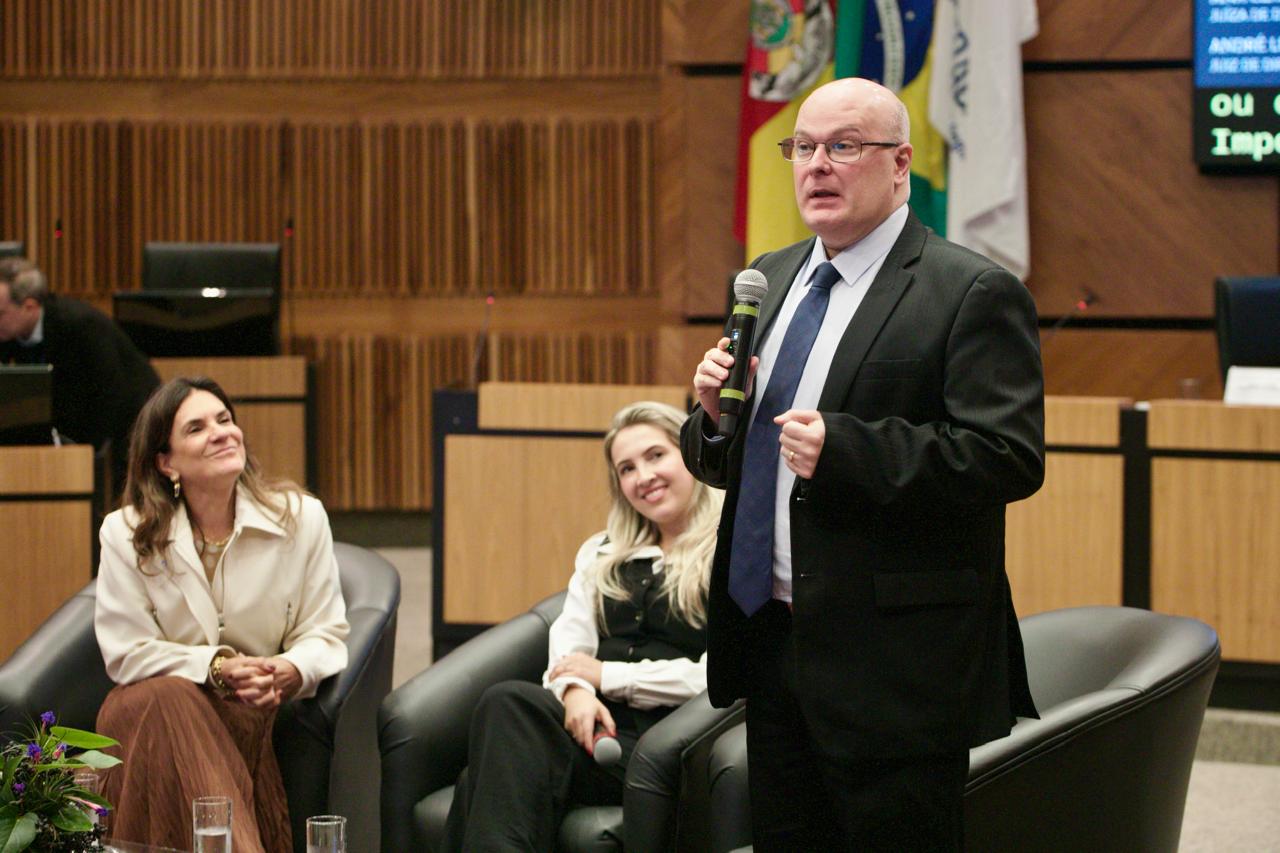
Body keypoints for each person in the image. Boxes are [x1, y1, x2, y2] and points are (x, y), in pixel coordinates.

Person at [681, 78, 1045, 851]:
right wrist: (712, 421)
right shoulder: (768, 278)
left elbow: (1007, 456)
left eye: (843, 146)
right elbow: (731, 462)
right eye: (803, 147)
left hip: (895, 667)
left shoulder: (970, 291)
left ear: (900, 162)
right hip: (773, 639)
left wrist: (850, 448)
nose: (817, 165)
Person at [443, 401, 724, 851]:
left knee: (488, 757)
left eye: (656, 456)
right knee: (501, 725)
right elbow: (568, 647)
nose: (643, 477)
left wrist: (607, 676)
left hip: (671, 742)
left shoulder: (727, 547)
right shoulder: (603, 551)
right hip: (592, 731)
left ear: (691, 454)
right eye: (626, 468)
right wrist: (576, 691)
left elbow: (721, 676)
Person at [93, 376, 349, 853]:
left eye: (225, 419)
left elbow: (326, 631)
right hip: (144, 713)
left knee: (186, 707)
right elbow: (124, 652)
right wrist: (214, 667)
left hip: (248, 713)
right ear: (166, 462)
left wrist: (289, 670)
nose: (221, 432)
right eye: (197, 427)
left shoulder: (302, 519)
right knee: (170, 697)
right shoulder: (124, 533)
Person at [0, 257, 159, 495]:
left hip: (130, 418)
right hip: (74, 423)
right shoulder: (9, 332)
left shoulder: (79, 325)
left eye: (0, 313)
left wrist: (80, 455)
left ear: (29, 307)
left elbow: (108, 392)